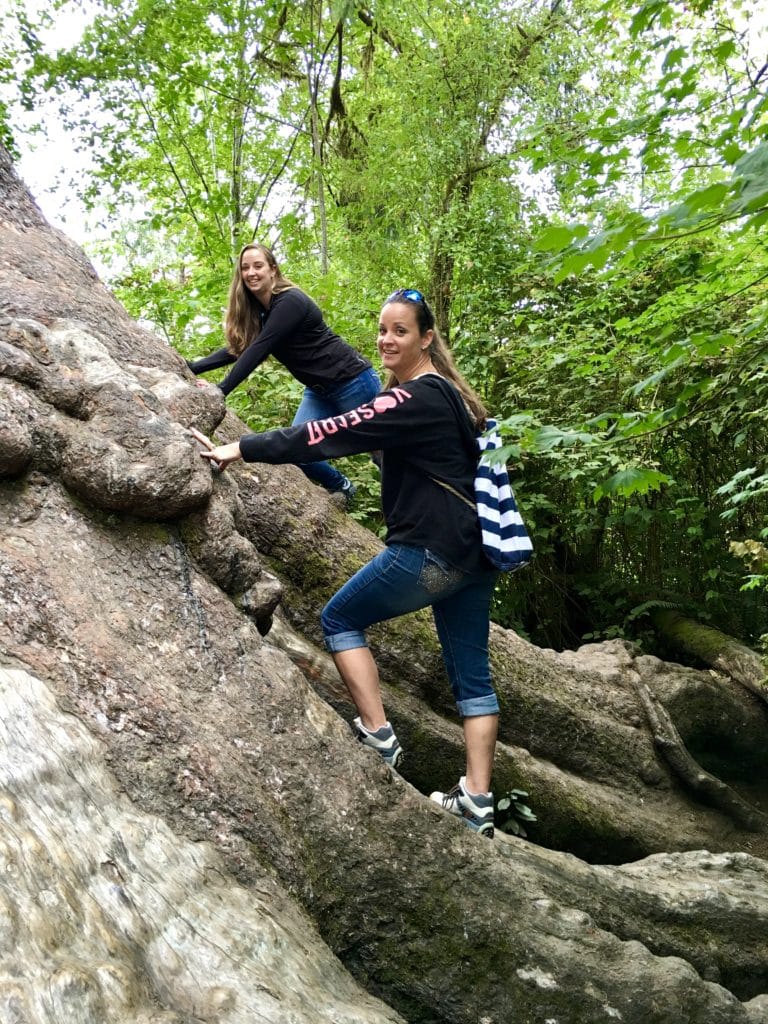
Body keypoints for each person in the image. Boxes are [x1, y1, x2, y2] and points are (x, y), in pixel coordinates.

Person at [194, 288, 500, 838]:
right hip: (476, 556)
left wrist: (242, 447)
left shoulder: (412, 398)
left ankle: (379, 736)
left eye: (400, 331)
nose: (385, 339)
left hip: (430, 550)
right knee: (472, 681)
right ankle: (478, 800)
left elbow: (328, 433)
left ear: (426, 338)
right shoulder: (454, 397)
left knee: (340, 620)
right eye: (382, 330)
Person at [187, 243, 381, 507]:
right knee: (298, 449)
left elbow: (258, 349)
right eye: (245, 268)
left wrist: (221, 390)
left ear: (273, 270)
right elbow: (239, 348)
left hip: (353, 381)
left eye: (258, 266)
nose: (251, 273)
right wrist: (192, 367)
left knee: (384, 453)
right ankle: (343, 487)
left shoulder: (290, 301)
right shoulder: (261, 313)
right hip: (318, 391)